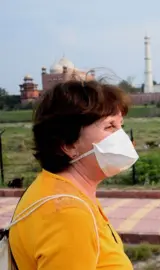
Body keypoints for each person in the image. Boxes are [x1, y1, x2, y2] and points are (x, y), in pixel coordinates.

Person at [8, 80, 139, 269]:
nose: (123, 137)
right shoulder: (67, 213)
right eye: (110, 127)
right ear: (68, 145)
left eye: (121, 126)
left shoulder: (60, 190)